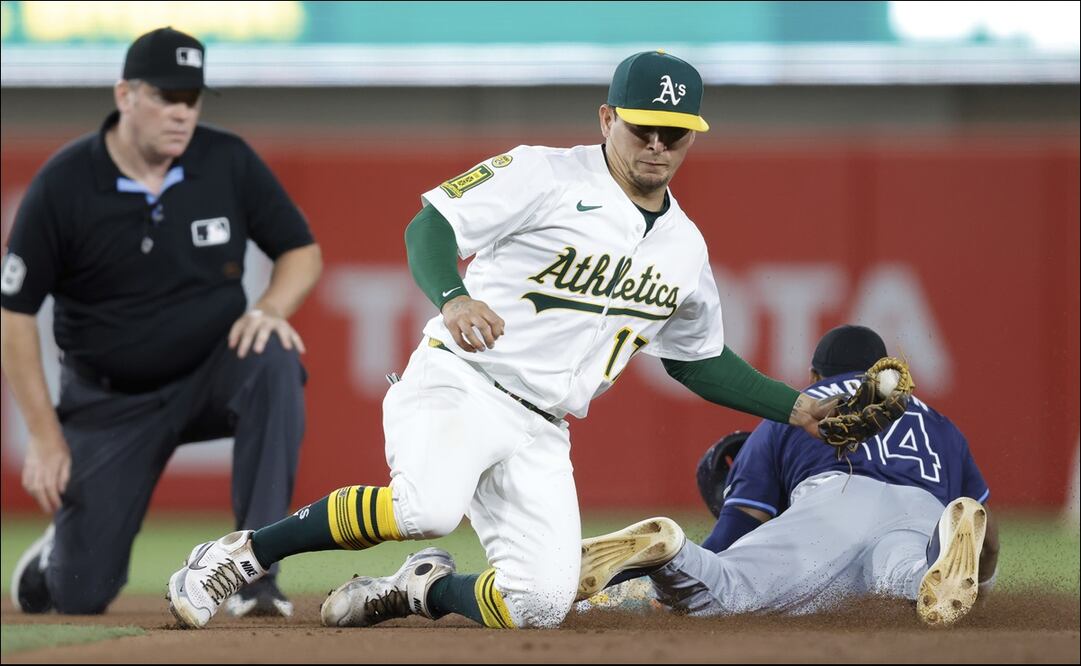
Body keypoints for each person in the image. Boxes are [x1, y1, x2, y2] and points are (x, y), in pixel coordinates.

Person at [166, 50, 843, 631]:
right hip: (464, 381)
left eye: (675, 132)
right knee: (427, 507)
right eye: (643, 128)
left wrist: (793, 408)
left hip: (543, 427)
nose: (657, 146)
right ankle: (243, 555)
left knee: (540, 604)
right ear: (607, 119)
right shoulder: (544, 174)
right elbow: (428, 227)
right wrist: (452, 296)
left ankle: (416, 589)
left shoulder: (684, 248)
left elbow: (696, 360)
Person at [2, 27, 322, 617]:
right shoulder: (65, 184)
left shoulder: (225, 160)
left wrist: (269, 308)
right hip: (109, 403)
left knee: (274, 357)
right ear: (125, 95)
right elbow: (15, 316)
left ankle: (253, 574)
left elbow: (300, 251)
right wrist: (45, 438)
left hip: (209, 373)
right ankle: (58, 556)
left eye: (192, 99)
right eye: (166, 97)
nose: (182, 113)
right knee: (81, 594)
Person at [576, 324, 1000, 627]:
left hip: (838, 501)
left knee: (729, 592)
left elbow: (736, 531)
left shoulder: (798, 408)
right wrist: (983, 580)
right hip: (924, 512)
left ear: (815, 376)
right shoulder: (941, 425)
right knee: (898, 581)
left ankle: (669, 552)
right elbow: (989, 532)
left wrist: (678, 586)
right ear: (878, 375)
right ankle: (924, 569)